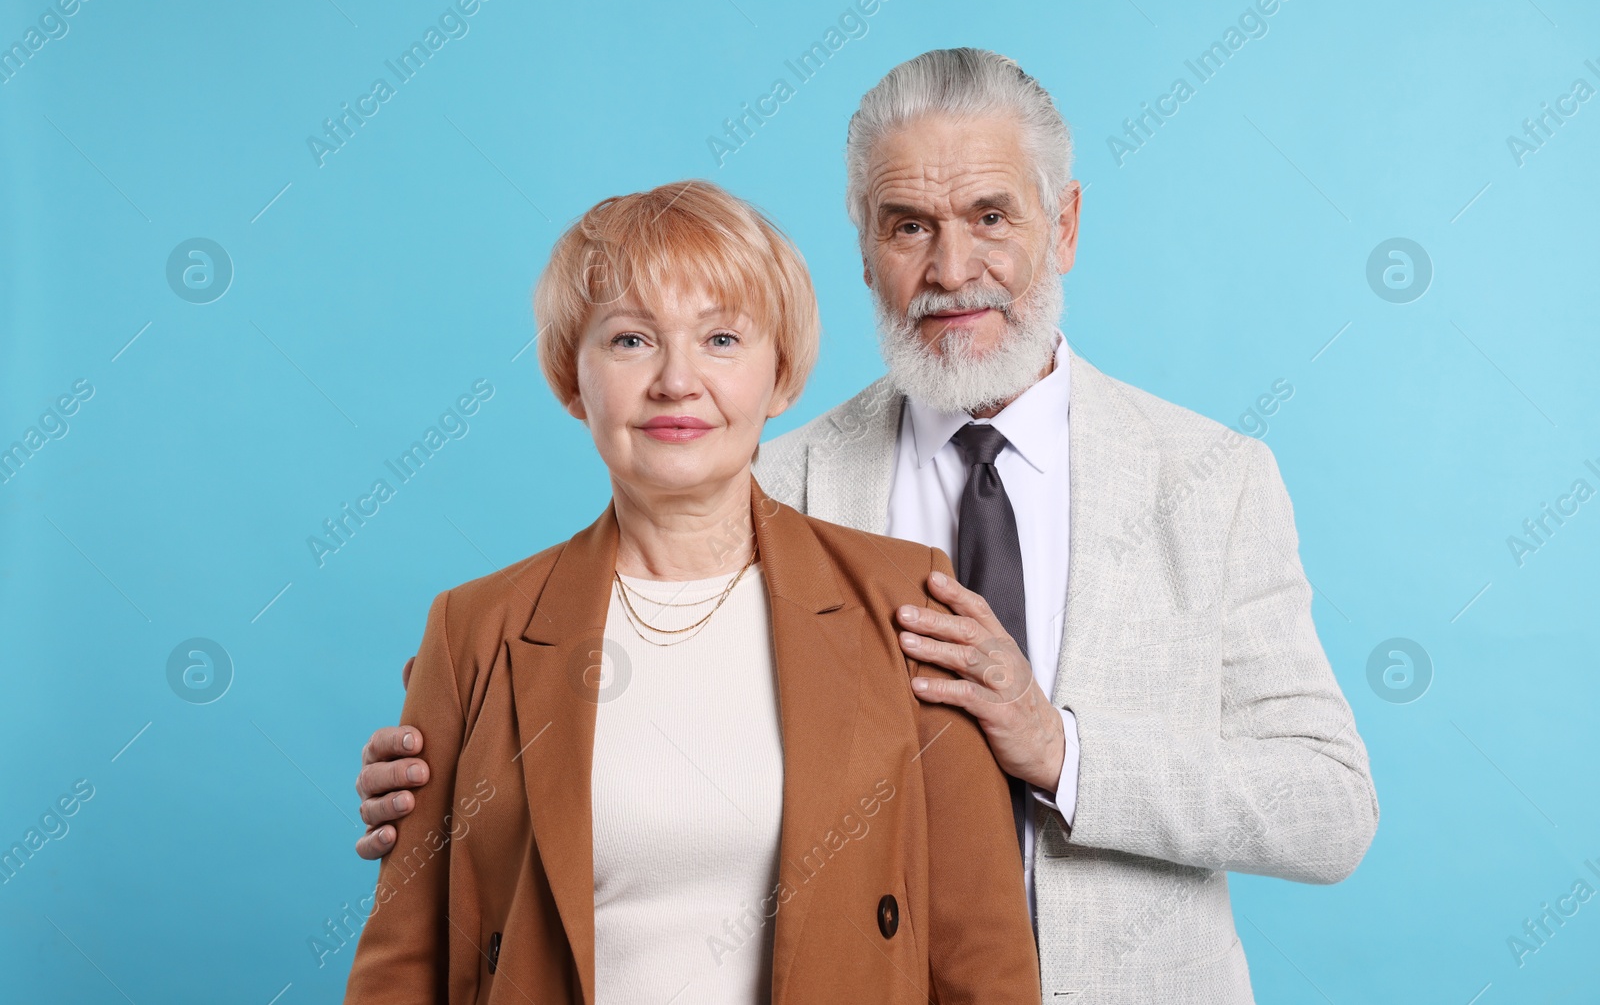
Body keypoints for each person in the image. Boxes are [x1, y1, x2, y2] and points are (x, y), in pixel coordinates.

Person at [358, 49, 1379, 1003]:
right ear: (862, 249)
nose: (948, 268)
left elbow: (1329, 805)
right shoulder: (771, 486)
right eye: (907, 226)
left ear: (1063, 223)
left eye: (990, 215)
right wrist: (472, 774)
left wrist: (1058, 746)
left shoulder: (1211, 481)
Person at [342, 179, 1040, 1004]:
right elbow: (403, 965)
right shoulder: (472, 630)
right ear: (574, 378)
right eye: (632, 340)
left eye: (720, 338)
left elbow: (983, 955)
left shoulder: (906, 600)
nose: (677, 381)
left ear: (780, 375)